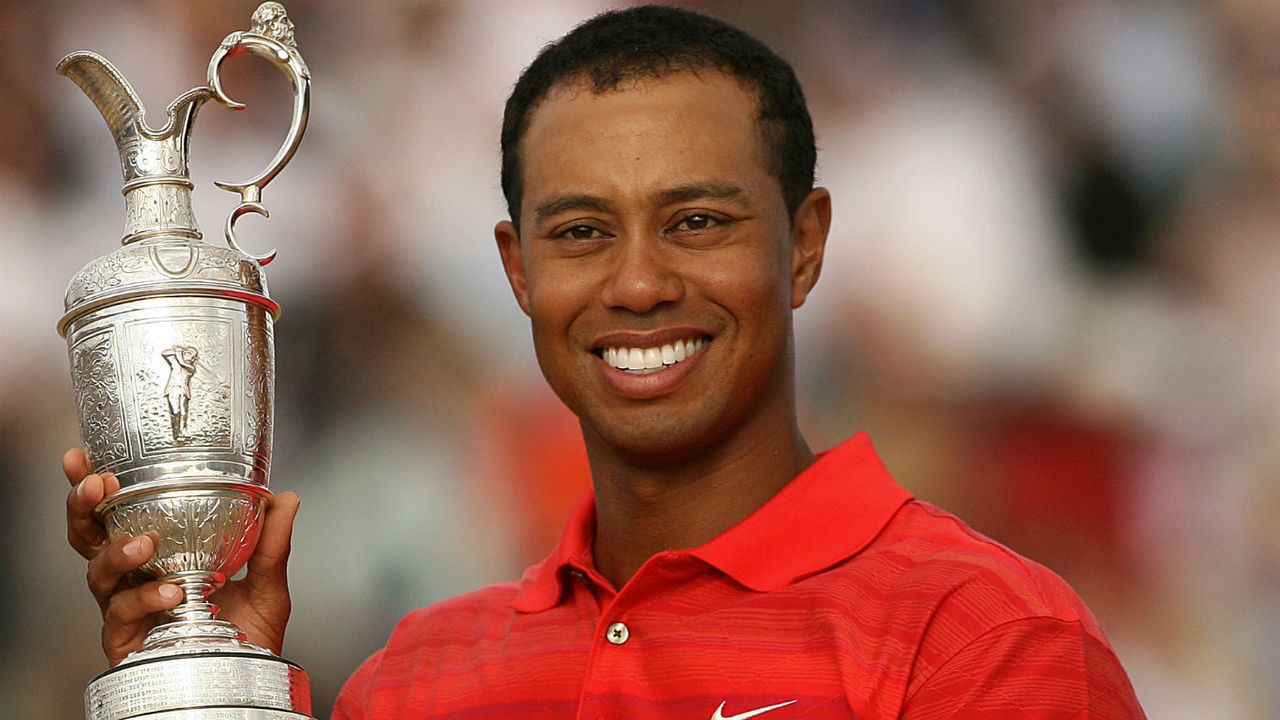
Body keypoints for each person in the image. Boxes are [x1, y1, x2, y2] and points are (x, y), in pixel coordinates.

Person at [63, 6, 1148, 718]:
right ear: (518, 269)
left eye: (695, 222)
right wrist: (209, 683)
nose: (635, 284)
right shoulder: (413, 683)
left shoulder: (984, 642)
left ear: (804, 245)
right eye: (580, 232)